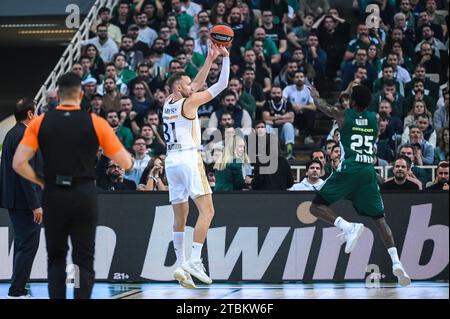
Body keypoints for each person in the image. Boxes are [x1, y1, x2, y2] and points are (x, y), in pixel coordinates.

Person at [12, 73, 132, 299]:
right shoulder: (96, 122)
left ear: (57, 95)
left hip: (54, 194)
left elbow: (18, 163)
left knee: (56, 257)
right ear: (80, 94)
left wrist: (41, 181)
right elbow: (126, 162)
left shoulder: (40, 122)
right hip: (84, 194)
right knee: (84, 257)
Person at [309, 85, 411, 287]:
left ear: (352, 102)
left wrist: (315, 95)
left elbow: (324, 107)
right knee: (380, 220)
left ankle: (348, 227)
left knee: (315, 206)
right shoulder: (374, 118)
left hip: (349, 169)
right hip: (368, 173)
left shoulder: (343, 115)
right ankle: (397, 263)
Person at [163, 42, 229, 288]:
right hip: (189, 158)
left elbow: (196, 85)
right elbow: (219, 85)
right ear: (180, 87)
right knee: (208, 211)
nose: (193, 85)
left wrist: (210, 59)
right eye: (188, 82)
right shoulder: (189, 104)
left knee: (180, 217)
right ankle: (194, 259)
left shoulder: (168, 102)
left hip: (171, 161)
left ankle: (180, 266)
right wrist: (225, 59)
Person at [0, 98, 43, 298]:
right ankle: (17, 288)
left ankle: (18, 286)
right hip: (25, 202)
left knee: (22, 243)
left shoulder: (11, 134)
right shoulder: (26, 134)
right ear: (30, 114)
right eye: (37, 111)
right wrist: (35, 205)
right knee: (28, 244)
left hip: (14, 199)